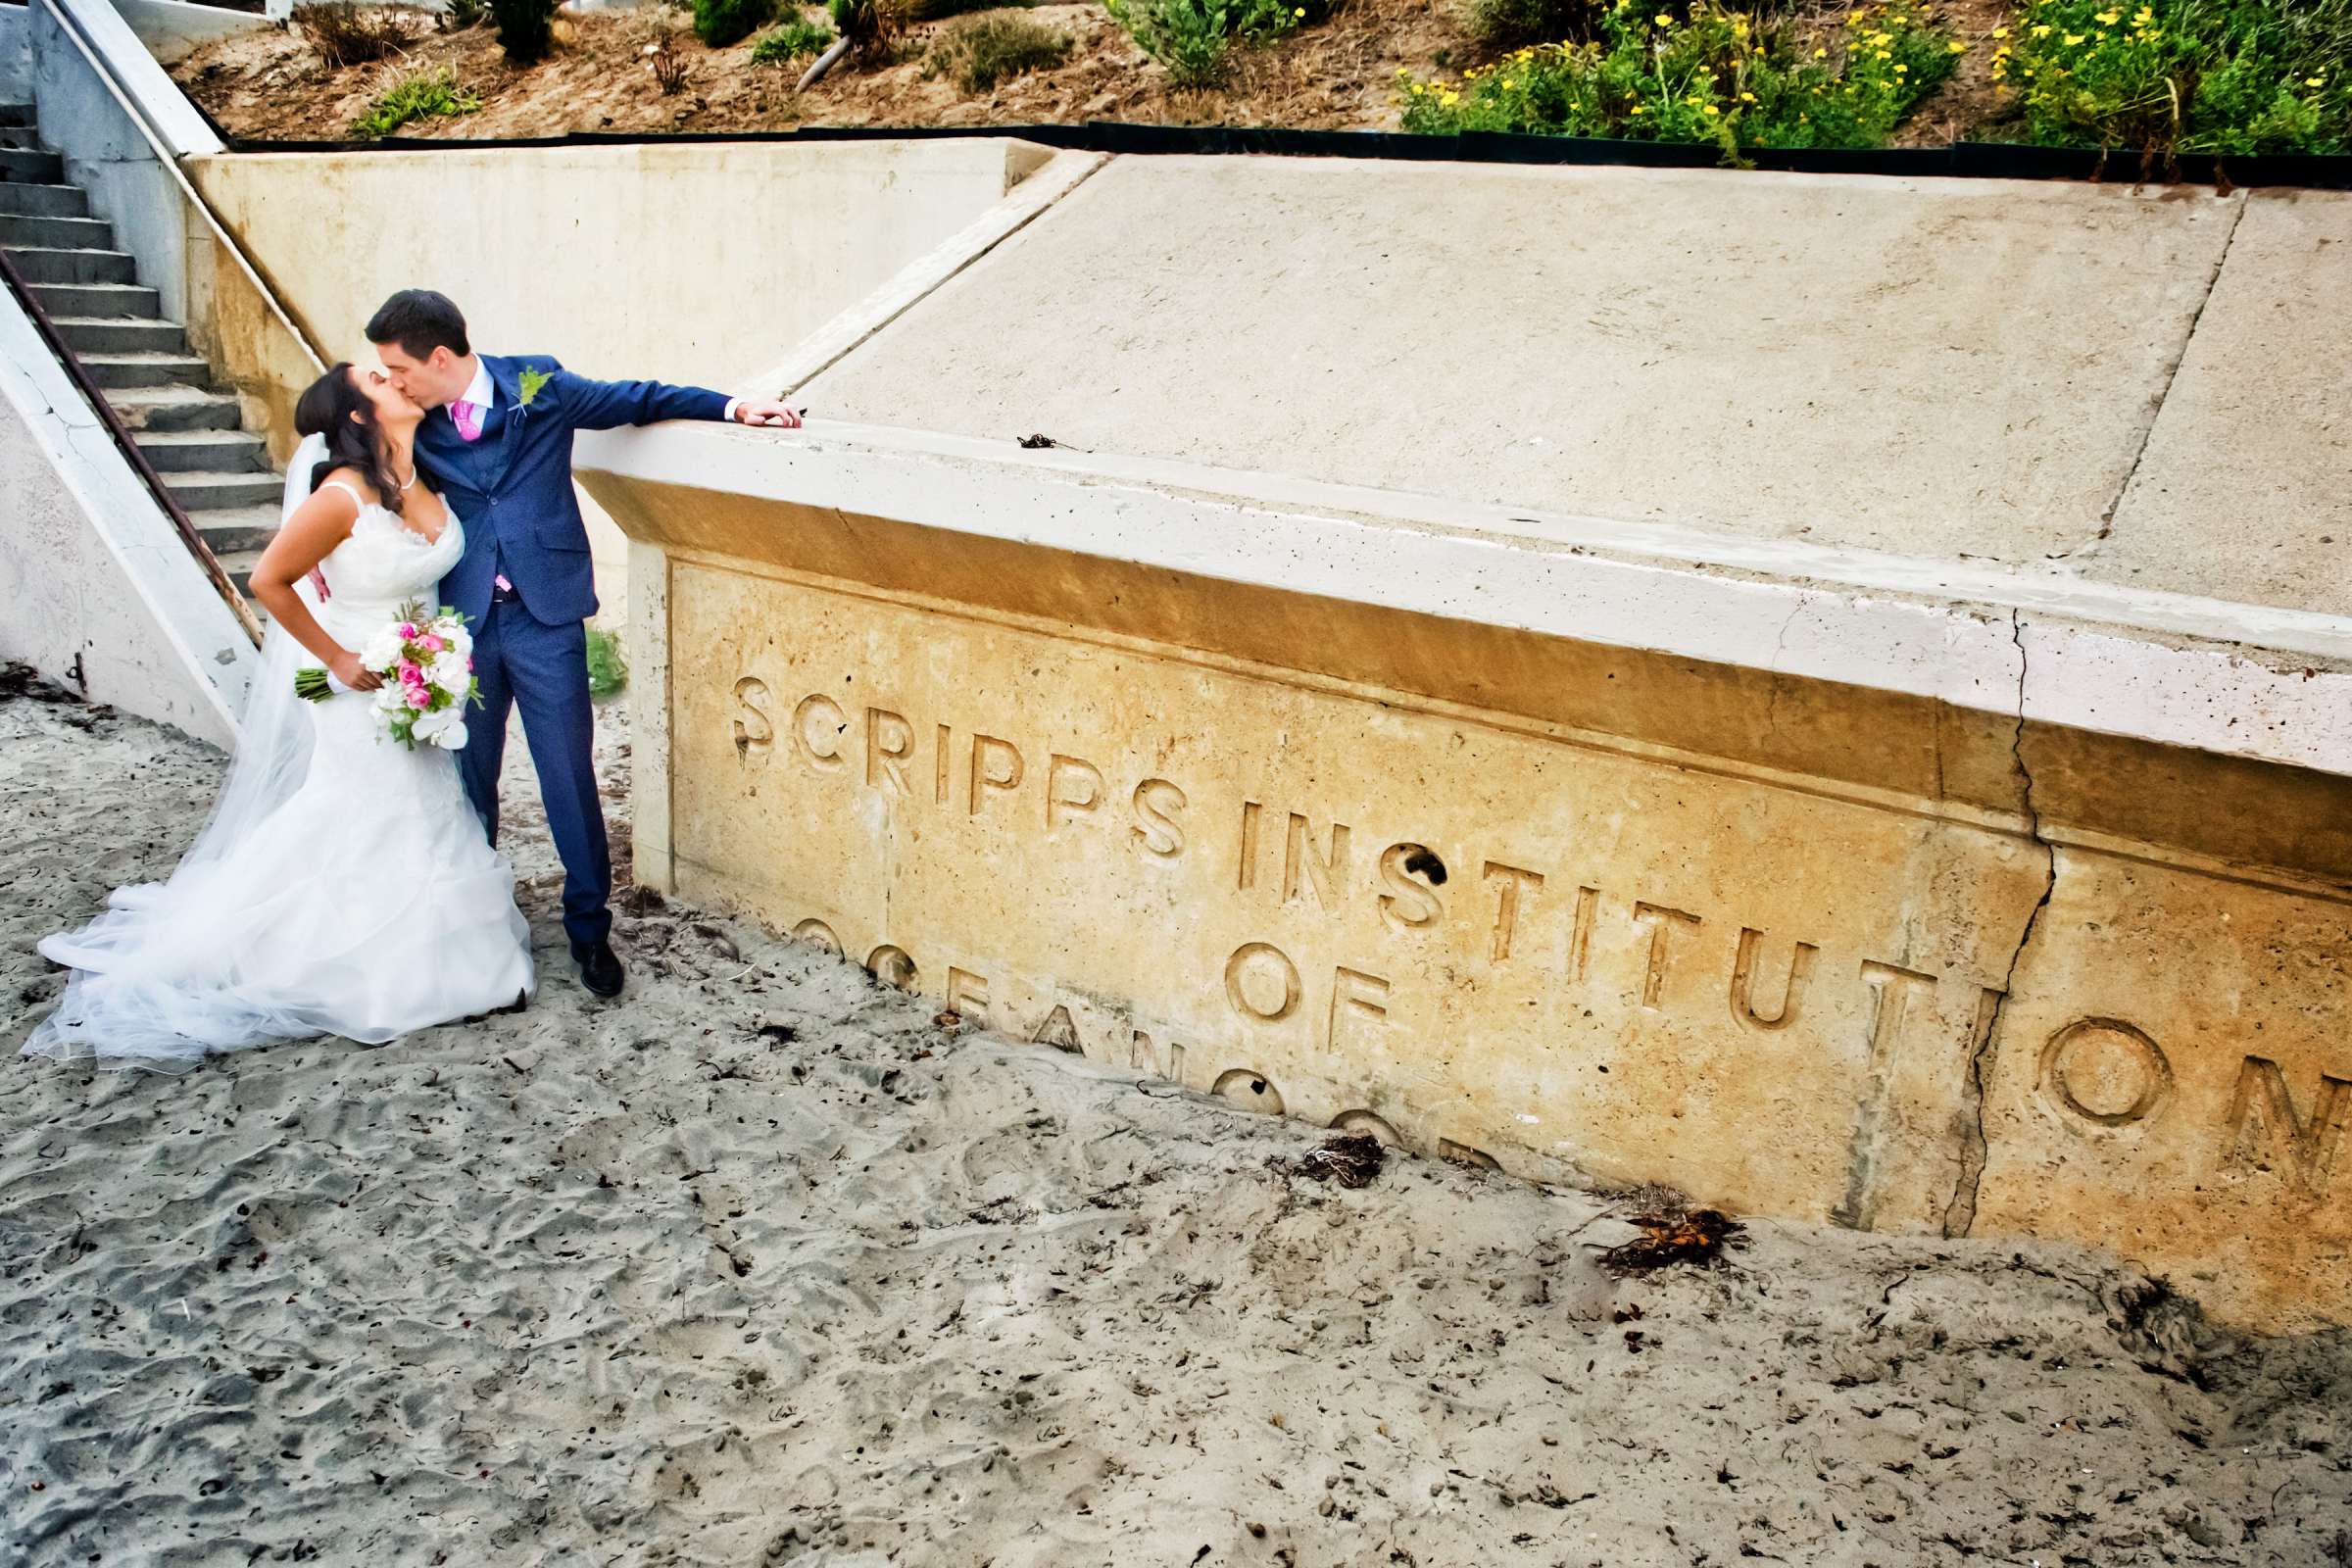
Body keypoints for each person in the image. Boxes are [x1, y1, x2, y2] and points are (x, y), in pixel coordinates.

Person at [24, 364, 535, 1070]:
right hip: (355, 679)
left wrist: (436, 657)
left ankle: (447, 953)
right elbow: (270, 580)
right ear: (358, 417)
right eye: (380, 381)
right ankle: (354, 961)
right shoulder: (341, 496)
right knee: (370, 807)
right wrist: (338, 660)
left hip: (416, 672)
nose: (398, 381)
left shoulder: (419, 478)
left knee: (424, 801)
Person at [364, 289, 804, 999]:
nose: (394, 380)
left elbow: (636, 397)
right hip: (465, 628)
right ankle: (477, 924)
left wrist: (732, 407)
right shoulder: (412, 418)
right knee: (469, 780)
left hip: (547, 618)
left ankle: (589, 932)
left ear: (440, 356)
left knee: (568, 776)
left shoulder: (536, 383)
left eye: (398, 367)